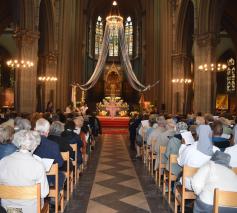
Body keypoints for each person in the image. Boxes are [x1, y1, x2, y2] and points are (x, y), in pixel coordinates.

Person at [0, 130, 49, 213]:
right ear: (35, 146)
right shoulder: (38, 165)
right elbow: (44, 193)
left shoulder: (3, 161)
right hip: (30, 209)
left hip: (7, 209)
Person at [34, 118, 65, 191]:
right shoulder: (53, 145)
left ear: (35, 129)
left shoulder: (29, 142)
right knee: (60, 175)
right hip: (47, 176)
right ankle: (55, 194)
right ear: (47, 132)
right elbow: (60, 163)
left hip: (32, 177)